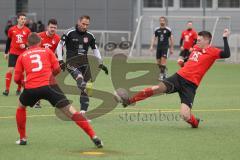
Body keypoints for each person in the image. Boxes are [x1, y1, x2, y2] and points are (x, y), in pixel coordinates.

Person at [115, 29, 230, 128]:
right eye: (197, 40)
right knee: (156, 88)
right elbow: (190, 63)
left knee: (185, 115)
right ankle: (129, 100)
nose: (197, 42)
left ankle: (195, 123)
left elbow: (226, 54)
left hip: (190, 85)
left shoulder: (213, 52)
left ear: (207, 40)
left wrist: (224, 38)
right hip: (178, 77)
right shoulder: (195, 48)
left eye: (199, 40)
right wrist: (182, 62)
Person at [14, 32, 103, 148]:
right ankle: (93, 136)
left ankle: (22, 138)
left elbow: (16, 78)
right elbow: (57, 69)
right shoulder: (47, 51)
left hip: (31, 88)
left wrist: (23, 83)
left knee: (21, 106)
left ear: (27, 43)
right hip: (50, 86)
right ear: (40, 42)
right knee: (70, 111)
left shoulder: (22, 55)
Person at [56, 15, 108, 114]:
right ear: (79, 22)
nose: (85, 26)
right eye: (83, 24)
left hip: (85, 63)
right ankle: (84, 88)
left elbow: (95, 49)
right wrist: (60, 60)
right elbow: (59, 46)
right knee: (80, 79)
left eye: (87, 25)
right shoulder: (69, 32)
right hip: (72, 62)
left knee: (87, 86)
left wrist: (100, 63)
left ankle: (83, 111)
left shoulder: (90, 36)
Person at [32, 18, 61, 108]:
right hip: (40, 64)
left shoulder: (57, 38)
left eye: (55, 28)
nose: (53, 29)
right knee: (40, 82)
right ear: (47, 27)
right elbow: (33, 49)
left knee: (52, 82)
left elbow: (59, 52)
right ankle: (37, 101)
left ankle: (56, 100)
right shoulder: (39, 36)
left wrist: (59, 61)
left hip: (51, 64)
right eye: (51, 27)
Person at [3, 13, 31, 96]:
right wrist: (6, 52)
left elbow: (30, 42)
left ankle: (19, 89)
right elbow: (8, 41)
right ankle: (7, 90)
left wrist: (25, 45)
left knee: (20, 73)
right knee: (10, 70)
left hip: (22, 54)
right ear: (18, 19)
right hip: (13, 53)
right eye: (21, 19)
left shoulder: (27, 30)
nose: (23, 21)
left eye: (24, 19)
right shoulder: (11, 29)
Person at [149, 16, 174, 81]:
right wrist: (151, 46)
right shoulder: (157, 29)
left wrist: (171, 48)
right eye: (160, 20)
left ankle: (162, 76)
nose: (162, 22)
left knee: (163, 61)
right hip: (159, 48)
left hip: (165, 48)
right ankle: (164, 71)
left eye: (163, 20)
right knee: (158, 63)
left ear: (165, 21)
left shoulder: (168, 29)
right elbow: (154, 38)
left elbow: (171, 39)